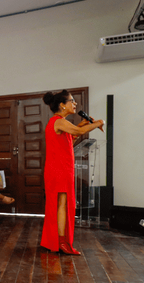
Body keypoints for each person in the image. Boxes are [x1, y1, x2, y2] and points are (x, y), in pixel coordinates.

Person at [40, 90, 104, 254]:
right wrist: (98, 123)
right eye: (72, 101)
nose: (75, 104)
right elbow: (78, 132)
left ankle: (56, 240)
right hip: (59, 168)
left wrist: (83, 124)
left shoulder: (61, 122)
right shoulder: (58, 121)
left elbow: (71, 136)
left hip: (62, 167)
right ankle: (61, 242)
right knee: (61, 204)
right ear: (62, 105)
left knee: (62, 204)